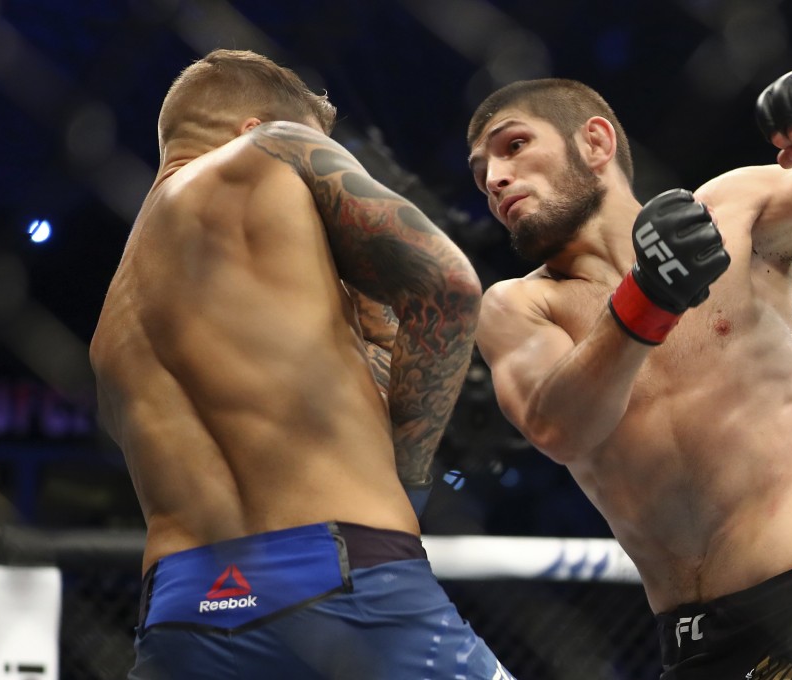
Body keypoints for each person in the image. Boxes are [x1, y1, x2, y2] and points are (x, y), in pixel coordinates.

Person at [466, 64, 792, 679]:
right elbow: (561, 429)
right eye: (481, 171)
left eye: (514, 146)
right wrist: (646, 298)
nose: (495, 178)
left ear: (595, 142)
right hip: (686, 647)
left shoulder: (733, 214)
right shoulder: (519, 306)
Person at [91, 49, 515, 680]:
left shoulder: (111, 322)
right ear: (252, 127)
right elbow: (447, 287)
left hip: (181, 617)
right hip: (347, 584)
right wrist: (412, 477)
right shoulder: (276, 149)